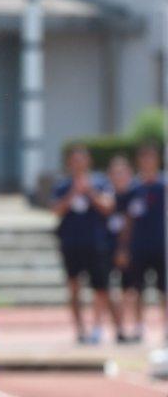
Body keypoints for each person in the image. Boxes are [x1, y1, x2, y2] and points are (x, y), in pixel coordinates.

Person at [51, 145, 118, 344]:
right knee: (73, 287)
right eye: (75, 160)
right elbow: (55, 210)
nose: (78, 163)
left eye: (82, 159)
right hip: (71, 243)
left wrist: (89, 191)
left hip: (96, 243)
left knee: (100, 287)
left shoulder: (100, 182)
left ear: (88, 161)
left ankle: (97, 328)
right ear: (70, 163)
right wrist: (73, 193)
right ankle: (80, 329)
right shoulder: (63, 185)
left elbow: (108, 207)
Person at [117, 144, 167, 342]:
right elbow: (126, 221)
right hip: (139, 245)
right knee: (137, 290)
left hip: (162, 245)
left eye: (151, 158)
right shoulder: (133, 189)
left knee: (165, 289)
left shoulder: (164, 186)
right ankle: (139, 326)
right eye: (144, 158)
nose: (148, 162)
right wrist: (123, 247)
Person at [107, 154, 137, 342]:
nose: (119, 177)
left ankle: (129, 327)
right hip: (106, 249)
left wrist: (123, 249)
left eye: (122, 173)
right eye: (115, 173)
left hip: (129, 249)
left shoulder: (134, 194)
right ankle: (117, 328)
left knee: (129, 291)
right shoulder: (106, 195)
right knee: (108, 290)